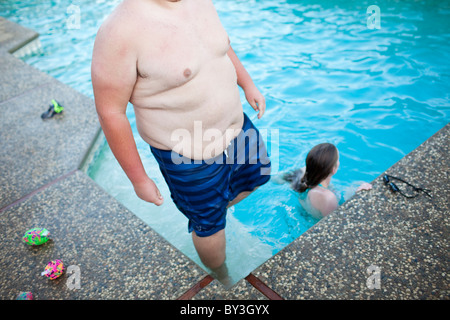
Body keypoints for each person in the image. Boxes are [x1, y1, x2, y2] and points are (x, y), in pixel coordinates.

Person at [91, 0, 271, 276]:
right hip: (187, 155)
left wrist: (247, 83)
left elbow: (220, 46)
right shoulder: (120, 32)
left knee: (256, 180)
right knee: (210, 227)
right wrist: (139, 179)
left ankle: (211, 206)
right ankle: (220, 278)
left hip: (237, 128)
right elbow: (111, 112)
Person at [282, 143, 371, 219]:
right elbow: (342, 222)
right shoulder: (328, 198)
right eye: (338, 160)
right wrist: (359, 198)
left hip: (302, 213)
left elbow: (278, 178)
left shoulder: (302, 173)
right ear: (333, 170)